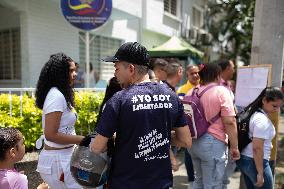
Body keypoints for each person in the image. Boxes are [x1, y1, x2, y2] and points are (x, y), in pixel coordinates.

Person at [90, 42, 192, 189]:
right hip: (161, 183)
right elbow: (186, 141)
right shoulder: (172, 97)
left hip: (125, 183)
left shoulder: (119, 100)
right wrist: (160, 137)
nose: (115, 73)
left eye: (117, 68)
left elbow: (97, 147)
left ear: (131, 69)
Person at [186, 63, 240, 189]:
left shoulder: (192, 91)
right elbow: (229, 121)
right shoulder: (222, 91)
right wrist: (235, 147)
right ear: (217, 75)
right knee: (214, 184)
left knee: (198, 180)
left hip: (193, 142)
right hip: (213, 143)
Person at [35, 53, 84, 189]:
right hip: (58, 162)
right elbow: (51, 134)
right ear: (59, 73)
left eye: (75, 70)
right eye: (70, 71)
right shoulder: (55, 96)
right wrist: (83, 140)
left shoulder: (61, 94)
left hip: (64, 159)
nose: (74, 74)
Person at [236, 87, 283, 189]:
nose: (277, 109)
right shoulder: (261, 120)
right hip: (256, 161)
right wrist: (260, 173)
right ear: (264, 100)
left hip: (245, 159)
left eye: (279, 106)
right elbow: (257, 148)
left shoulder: (254, 112)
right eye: (274, 106)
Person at [176, 64, 200, 189]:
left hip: (202, 129)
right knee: (189, 155)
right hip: (189, 128)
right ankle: (191, 180)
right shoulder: (182, 90)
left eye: (197, 72)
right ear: (187, 75)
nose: (196, 75)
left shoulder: (204, 87)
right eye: (192, 73)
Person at [217, 59, 237, 189]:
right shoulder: (218, 86)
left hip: (225, 132)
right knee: (220, 171)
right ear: (226, 69)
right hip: (221, 132)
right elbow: (228, 118)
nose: (234, 70)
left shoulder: (227, 85)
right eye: (232, 68)